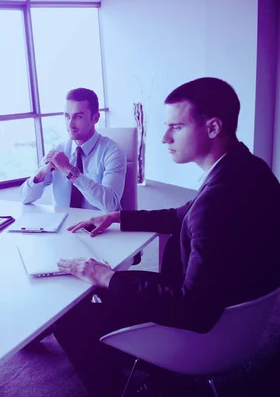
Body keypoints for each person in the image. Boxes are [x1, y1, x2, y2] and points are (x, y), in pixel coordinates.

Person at [52, 78, 280, 397]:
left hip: (204, 330)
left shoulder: (215, 204)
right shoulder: (248, 168)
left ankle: (116, 384)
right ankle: (146, 369)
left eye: (176, 127)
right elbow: (180, 214)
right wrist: (117, 216)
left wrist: (108, 277)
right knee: (108, 286)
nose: (164, 137)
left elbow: (193, 310)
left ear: (213, 127)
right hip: (239, 314)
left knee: (69, 314)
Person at [20, 88, 127, 212]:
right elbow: (24, 198)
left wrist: (68, 169)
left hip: (98, 227)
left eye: (78, 117)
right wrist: (42, 173)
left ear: (95, 118)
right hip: (63, 227)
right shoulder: (58, 151)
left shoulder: (113, 153)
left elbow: (111, 205)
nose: (70, 124)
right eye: (67, 116)